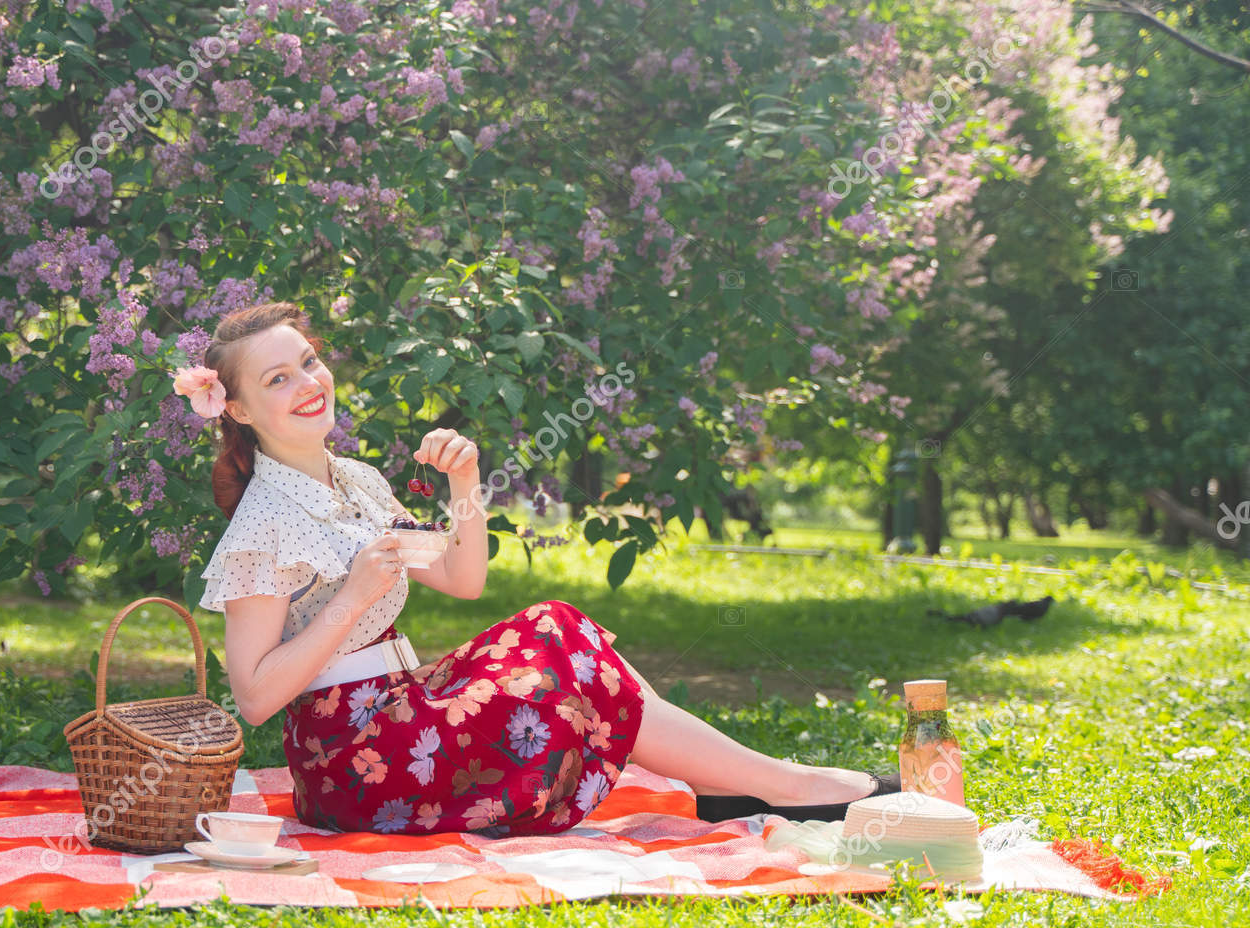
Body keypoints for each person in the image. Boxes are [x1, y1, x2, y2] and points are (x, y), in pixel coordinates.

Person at [183, 300, 891, 837]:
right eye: (280, 377)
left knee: (557, 624)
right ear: (239, 407)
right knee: (561, 648)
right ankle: (781, 785)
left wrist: (465, 486)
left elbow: (462, 579)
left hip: (404, 705)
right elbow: (252, 696)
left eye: (309, 359)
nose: (310, 382)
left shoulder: (358, 481)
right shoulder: (263, 523)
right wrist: (353, 597)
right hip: (354, 760)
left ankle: (759, 783)